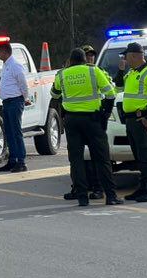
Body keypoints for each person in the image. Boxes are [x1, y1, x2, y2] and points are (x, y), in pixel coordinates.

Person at [51, 48, 122, 207]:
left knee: (76, 160)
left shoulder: (63, 74)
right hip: (92, 120)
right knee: (102, 159)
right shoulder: (94, 71)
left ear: (70, 60)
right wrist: (105, 114)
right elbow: (110, 94)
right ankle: (110, 196)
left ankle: (82, 197)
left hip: (71, 120)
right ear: (84, 60)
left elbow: (54, 94)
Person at [115, 41, 147, 202]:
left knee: (146, 157)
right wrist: (120, 71)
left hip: (142, 119)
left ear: (134, 55)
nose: (125, 59)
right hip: (131, 121)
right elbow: (119, 87)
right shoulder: (131, 72)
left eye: (126, 56)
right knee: (139, 157)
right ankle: (143, 188)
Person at [63, 45, 105, 200]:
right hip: (85, 119)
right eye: (87, 55)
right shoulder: (90, 72)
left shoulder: (98, 71)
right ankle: (79, 189)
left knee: (93, 157)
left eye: (92, 55)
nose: (90, 58)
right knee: (78, 159)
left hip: (88, 118)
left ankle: (96, 188)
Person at [0, 41, 30, 173]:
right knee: (9, 132)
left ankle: (21, 161)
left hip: (15, 101)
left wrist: (25, 98)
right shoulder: (5, 66)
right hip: (7, 102)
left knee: (16, 132)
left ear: (5, 51)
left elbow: (23, 84)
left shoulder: (15, 65)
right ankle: (12, 160)